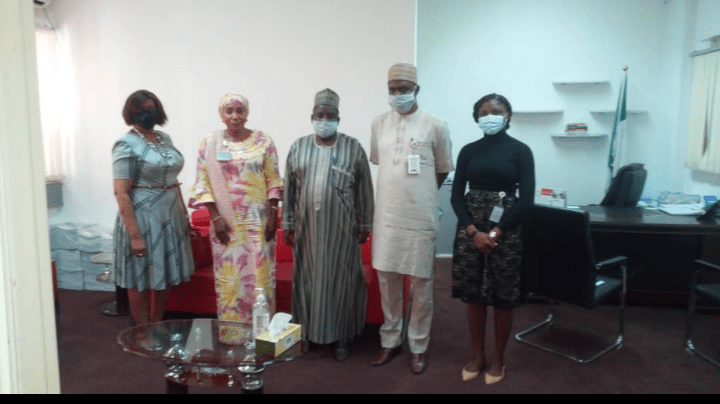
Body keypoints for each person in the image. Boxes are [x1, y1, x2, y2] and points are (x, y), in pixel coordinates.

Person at [369, 63, 454, 374]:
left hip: (419, 216)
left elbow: (442, 169)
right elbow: (380, 162)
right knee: (387, 278)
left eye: (403, 89)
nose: (397, 94)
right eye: (392, 89)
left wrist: (423, 194)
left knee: (421, 283)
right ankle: (390, 340)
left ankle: (418, 345)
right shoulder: (379, 124)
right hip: (387, 214)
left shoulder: (436, 125)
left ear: (416, 90)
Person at [282, 88, 374, 361]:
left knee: (343, 281)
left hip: (342, 231)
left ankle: (342, 337)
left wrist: (365, 225)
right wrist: (288, 222)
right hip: (307, 230)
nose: (324, 120)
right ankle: (306, 334)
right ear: (312, 117)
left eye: (330, 116)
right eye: (319, 115)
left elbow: (365, 189)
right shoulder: (298, 147)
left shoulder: (353, 147)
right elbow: (289, 189)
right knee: (306, 281)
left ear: (338, 119)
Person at [450, 93, 535, 385]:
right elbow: (456, 196)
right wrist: (473, 232)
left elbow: (527, 199)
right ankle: (478, 356)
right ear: (476, 118)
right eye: (483, 112)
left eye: (496, 111)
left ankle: (498, 358)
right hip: (471, 228)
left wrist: (496, 232)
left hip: (506, 229)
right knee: (473, 295)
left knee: (503, 296)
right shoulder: (468, 151)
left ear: (508, 115)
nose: (490, 116)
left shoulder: (521, 151)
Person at [188, 94, 283, 337]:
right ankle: (233, 337)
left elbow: (273, 179)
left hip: (258, 223)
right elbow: (202, 184)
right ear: (221, 114)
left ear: (247, 113)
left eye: (240, 110)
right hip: (226, 225)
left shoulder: (263, 140)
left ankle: (262, 337)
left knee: (260, 280)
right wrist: (216, 219)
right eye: (229, 111)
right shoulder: (210, 143)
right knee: (231, 281)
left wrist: (273, 214)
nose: (234, 116)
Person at [112, 89, 195, 328]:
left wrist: (184, 215)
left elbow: (173, 180)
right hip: (142, 217)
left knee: (164, 274)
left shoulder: (164, 139)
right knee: (139, 278)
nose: (147, 112)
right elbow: (121, 192)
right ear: (131, 113)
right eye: (141, 109)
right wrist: (135, 235)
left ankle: (157, 325)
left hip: (170, 215)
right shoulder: (125, 144)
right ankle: (142, 330)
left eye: (151, 107)